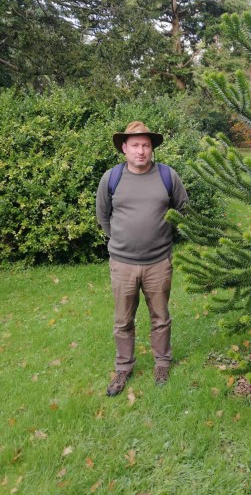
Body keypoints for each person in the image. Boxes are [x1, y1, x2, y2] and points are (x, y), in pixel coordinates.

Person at [96, 121, 188, 396]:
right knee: (123, 320)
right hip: (122, 263)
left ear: (152, 148)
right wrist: (122, 241)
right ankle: (124, 367)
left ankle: (162, 362)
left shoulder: (167, 176)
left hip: (158, 262)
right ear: (124, 148)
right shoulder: (111, 178)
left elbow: (182, 209)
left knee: (160, 316)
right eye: (134, 145)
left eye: (145, 145)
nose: (140, 151)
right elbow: (103, 216)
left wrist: (159, 235)